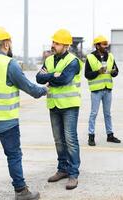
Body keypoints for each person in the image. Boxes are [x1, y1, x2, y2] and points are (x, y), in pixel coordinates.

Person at [0, 27, 48, 200]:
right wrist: (44, 90)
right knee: (13, 155)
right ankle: (21, 191)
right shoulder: (9, 64)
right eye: (10, 42)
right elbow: (29, 88)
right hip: (6, 122)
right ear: (5, 44)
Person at [36, 29, 82, 190]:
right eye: (53, 42)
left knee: (70, 140)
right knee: (58, 140)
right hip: (54, 105)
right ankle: (62, 169)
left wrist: (52, 76)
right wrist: (53, 75)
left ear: (66, 45)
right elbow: (38, 78)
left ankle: (73, 173)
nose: (53, 45)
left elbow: (64, 79)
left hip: (69, 105)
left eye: (56, 43)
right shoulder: (49, 60)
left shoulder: (73, 61)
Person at [85, 35, 121, 146]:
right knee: (93, 114)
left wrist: (113, 72)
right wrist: (98, 72)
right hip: (96, 91)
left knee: (107, 114)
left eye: (106, 44)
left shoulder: (110, 56)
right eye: (103, 44)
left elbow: (116, 71)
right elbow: (87, 75)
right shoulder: (90, 58)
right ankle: (91, 136)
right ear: (97, 45)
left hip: (107, 89)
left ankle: (110, 135)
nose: (106, 46)